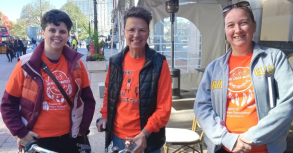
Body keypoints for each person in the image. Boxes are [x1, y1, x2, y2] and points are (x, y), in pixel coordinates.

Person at [193, 1, 293, 153]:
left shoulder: (274, 58)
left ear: (254, 26)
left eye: (243, 23)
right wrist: (229, 139)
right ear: (225, 30)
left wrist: (249, 138)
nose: (237, 30)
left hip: (264, 149)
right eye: (230, 25)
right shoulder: (214, 68)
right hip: (224, 147)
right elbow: (202, 106)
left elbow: (287, 105)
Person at [1, 9, 96, 153]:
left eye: (62, 31)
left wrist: (82, 129)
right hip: (38, 141)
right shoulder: (25, 65)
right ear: (43, 33)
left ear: (68, 35)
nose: (57, 35)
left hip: (70, 139)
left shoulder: (76, 64)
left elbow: (88, 100)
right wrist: (21, 132)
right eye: (52, 30)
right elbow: (8, 104)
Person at [96, 6, 172, 153]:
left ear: (148, 33)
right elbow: (108, 93)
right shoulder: (115, 61)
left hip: (147, 139)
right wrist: (104, 116)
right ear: (124, 32)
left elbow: (164, 108)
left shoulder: (159, 63)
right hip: (118, 136)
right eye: (131, 30)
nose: (136, 35)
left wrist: (145, 132)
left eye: (142, 30)